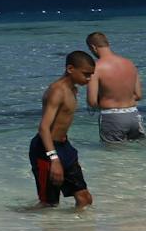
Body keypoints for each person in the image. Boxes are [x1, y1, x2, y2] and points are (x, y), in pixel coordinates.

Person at [30, 52, 95, 210]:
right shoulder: (57, 91)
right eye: (86, 74)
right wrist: (55, 159)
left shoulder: (73, 89)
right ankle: (19, 221)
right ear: (70, 68)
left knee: (84, 199)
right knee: (49, 205)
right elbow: (44, 127)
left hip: (64, 146)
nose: (89, 79)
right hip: (46, 150)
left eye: (91, 75)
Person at [86, 32, 143, 143]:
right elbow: (139, 95)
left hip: (112, 117)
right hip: (134, 116)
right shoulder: (129, 63)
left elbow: (92, 101)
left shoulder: (96, 68)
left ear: (93, 47)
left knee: (113, 157)